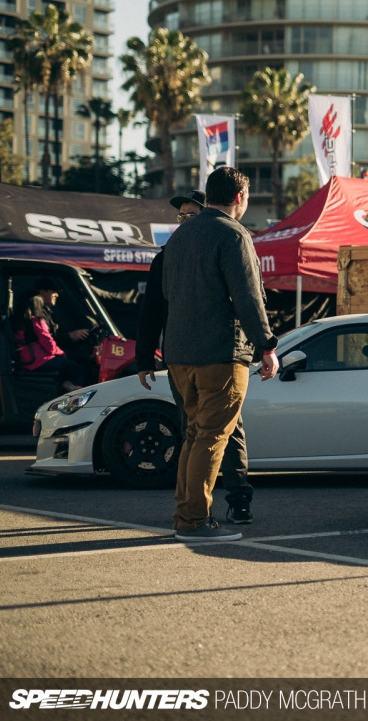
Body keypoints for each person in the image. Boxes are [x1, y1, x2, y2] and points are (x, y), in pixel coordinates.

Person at [161, 167, 278, 543]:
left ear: (208, 194)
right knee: (212, 437)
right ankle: (194, 520)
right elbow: (248, 296)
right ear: (240, 198)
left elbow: (167, 295)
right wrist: (267, 345)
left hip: (179, 353)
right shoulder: (234, 234)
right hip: (219, 352)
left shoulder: (180, 236)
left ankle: (186, 514)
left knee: (194, 434)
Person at [137, 188, 255, 526]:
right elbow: (151, 311)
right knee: (197, 431)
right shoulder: (167, 255)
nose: (185, 221)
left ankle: (236, 498)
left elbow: (247, 297)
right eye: (181, 216)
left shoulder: (225, 242)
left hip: (220, 352)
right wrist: (144, 357)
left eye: (191, 214)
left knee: (224, 432)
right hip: (185, 357)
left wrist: (261, 345)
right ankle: (192, 512)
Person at [13, 293, 90, 392]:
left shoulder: (16, 322)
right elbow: (49, 344)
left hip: (25, 362)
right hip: (40, 360)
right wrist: (62, 354)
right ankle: (75, 396)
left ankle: (66, 384)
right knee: (80, 370)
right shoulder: (36, 321)